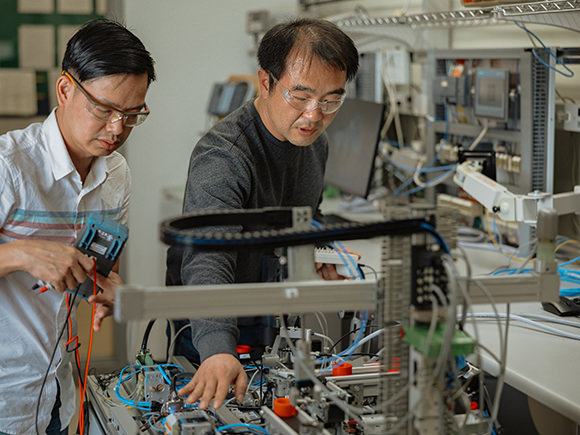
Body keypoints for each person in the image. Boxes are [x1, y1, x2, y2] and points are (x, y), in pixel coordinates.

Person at [166, 17, 358, 411]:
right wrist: (217, 347)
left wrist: (319, 250)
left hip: (272, 317)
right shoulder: (224, 155)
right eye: (300, 96)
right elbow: (207, 257)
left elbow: (306, 214)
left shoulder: (312, 144)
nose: (314, 115)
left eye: (331, 100)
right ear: (266, 82)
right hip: (211, 321)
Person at [0, 19, 155, 435]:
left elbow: (101, 265)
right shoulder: (9, 166)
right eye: (104, 110)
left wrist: (103, 291)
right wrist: (21, 253)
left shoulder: (116, 173)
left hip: (55, 394)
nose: (117, 129)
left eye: (132, 114)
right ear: (66, 89)